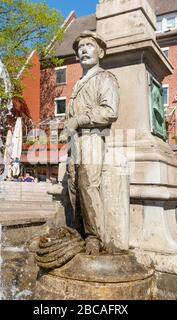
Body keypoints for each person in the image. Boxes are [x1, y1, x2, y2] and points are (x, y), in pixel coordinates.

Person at [65, 30, 119, 255]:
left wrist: (78, 119)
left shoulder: (105, 78)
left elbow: (110, 111)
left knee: (88, 185)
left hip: (93, 136)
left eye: (89, 45)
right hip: (75, 141)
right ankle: (78, 231)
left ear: (101, 52)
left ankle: (94, 237)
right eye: (80, 47)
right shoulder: (77, 84)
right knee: (73, 185)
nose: (83, 50)